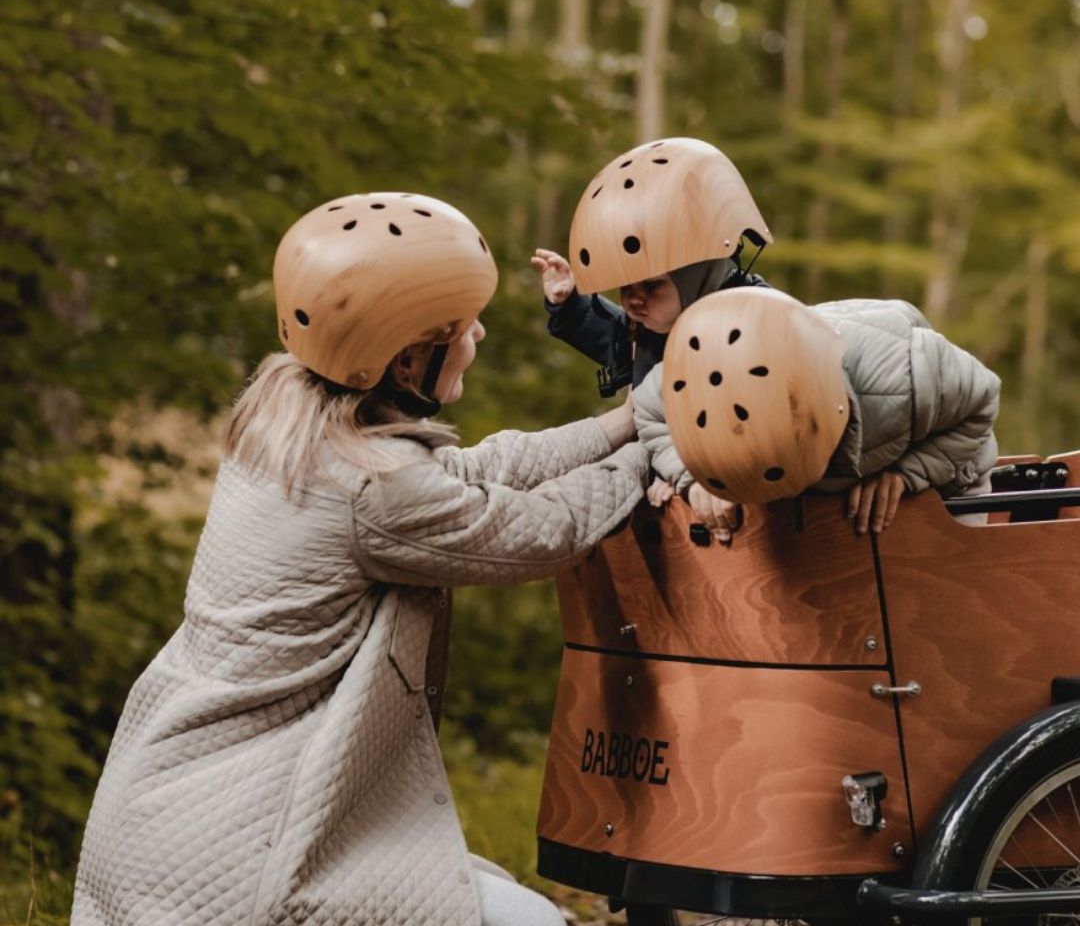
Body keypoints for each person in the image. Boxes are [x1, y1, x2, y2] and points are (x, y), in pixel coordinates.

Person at [71, 192, 648, 926]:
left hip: (172, 805)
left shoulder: (290, 420)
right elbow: (543, 530)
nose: (479, 330)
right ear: (407, 360)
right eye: (462, 324)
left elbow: (468, 476)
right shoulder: (373, 492)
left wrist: (618, 425)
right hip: (246, 840)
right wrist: (660, 445)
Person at [635, 287, 1001, 541]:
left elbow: (982, 402)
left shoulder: (907, 373)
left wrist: (908, 475)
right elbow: (649, 413)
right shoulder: (692, 368)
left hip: (941, 474)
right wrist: (696, 478)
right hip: (812, 494)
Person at [531, 137, 772, 399]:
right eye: (626, 285)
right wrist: (569, 304)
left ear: (696, 275)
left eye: (651, 284)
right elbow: (612, 334)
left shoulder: (760, 324)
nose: (633, 299)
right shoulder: (648, 328)